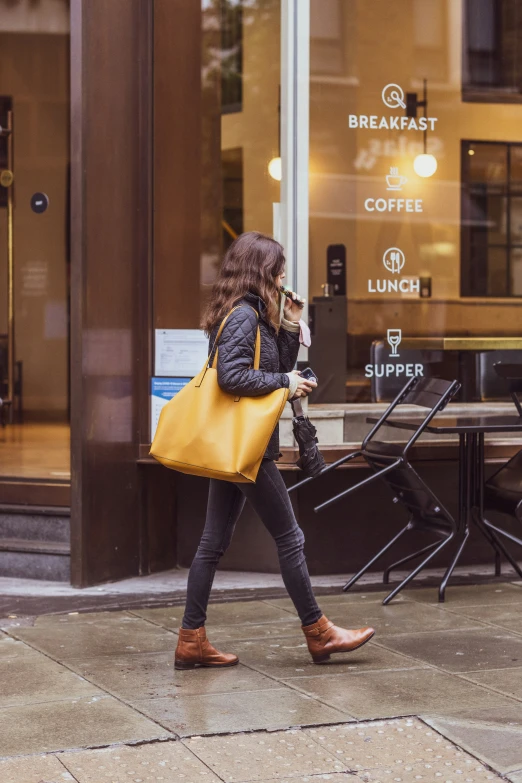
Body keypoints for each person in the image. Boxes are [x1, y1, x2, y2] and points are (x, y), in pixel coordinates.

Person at [175, 231, 375, 670]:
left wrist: (289, 323)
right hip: (247, 450)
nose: (285, 275)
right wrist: (286, 384)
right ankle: (319, 633)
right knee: (290, 537)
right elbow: (232, 377)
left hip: (234, 443)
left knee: (213, 542)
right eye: (279, 268)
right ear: (262, 271)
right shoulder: (244, 316)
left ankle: (192, 639)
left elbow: (275, 366)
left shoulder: (250, 313)